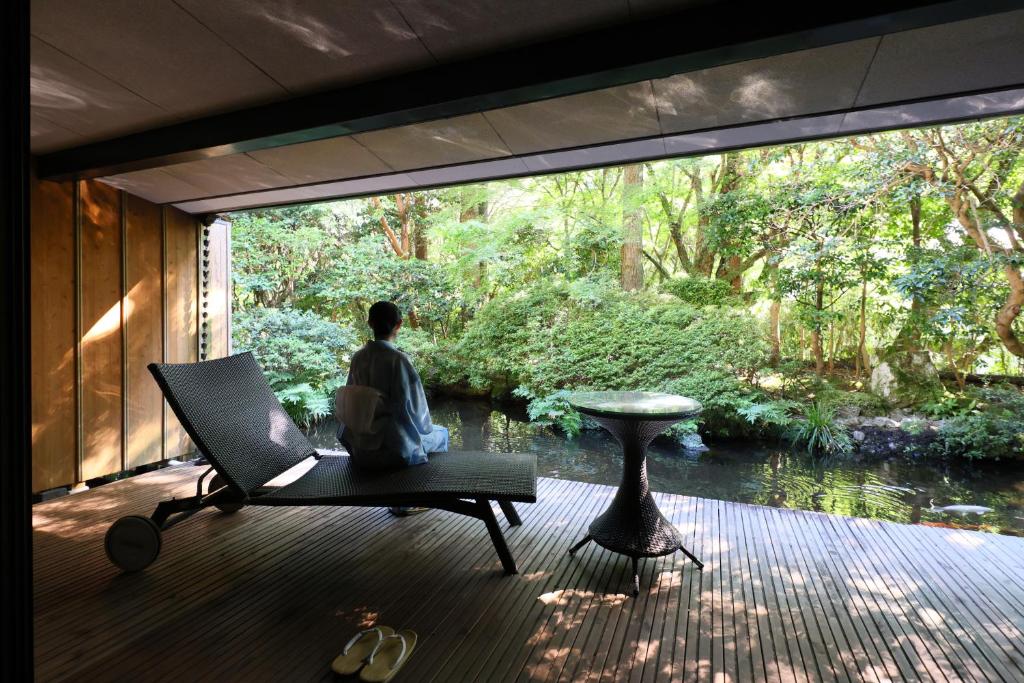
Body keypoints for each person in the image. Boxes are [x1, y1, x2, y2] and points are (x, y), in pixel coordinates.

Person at [337, 301, 449, 474]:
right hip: (395, 451)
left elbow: (352, 401)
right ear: (399, 324)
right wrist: (425, 428)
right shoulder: (399, 360)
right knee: (442, 433)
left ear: (370, 323)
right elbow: (420, 417)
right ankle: (426, 481)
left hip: (360, 450)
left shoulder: (358, 358)